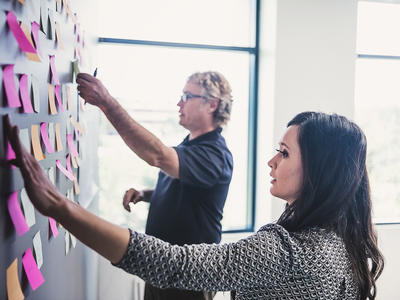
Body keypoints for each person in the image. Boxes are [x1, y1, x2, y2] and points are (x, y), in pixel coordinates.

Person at [4, 111, 384, 300]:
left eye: (283, 153)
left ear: (319, 170)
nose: (271, 162)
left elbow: (175, 264)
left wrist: (61, 208)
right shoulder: (341, 242)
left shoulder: (286, 251)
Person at [76, 71, 234, 300]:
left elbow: (158, 156)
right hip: (162, 267)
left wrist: (106, 103)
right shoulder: (190, 145)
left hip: (189, 277)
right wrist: (145, 194)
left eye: (187, 96)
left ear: (212, 104)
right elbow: (188, 191)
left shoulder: (215, 155)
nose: (179, 103)